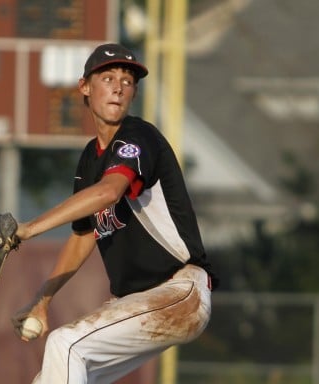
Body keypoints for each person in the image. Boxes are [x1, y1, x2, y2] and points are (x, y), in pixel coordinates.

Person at [11, 43, 218, 384]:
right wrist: (42, 300)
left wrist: (28, 229)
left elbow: (110, 192)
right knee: (53, 374)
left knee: (66, 344)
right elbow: (82, 237)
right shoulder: (89, 160)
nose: (119, 86)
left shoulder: (139, 137)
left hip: (179, 290)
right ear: (85, 87)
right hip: (139, 301)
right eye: (107, 77)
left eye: (127, 80)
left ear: (134, 93)